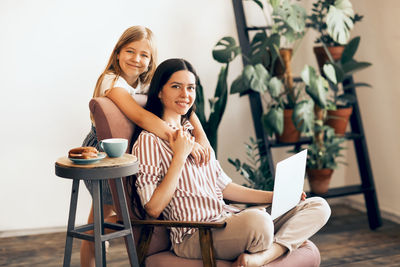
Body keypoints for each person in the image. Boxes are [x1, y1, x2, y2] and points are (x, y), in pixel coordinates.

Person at [132, 58, 331, 267]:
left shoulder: (195, 137)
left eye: (190, 88)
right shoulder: (149, 141)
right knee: (260, 222)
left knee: (318, 206)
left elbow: (225, 187)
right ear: (159, 92)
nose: (185, 94)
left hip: (226, 220)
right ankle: (272, 248)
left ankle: (263, 257)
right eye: (176, 87)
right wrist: (180, 157)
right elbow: (153, 208)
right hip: (196, 236)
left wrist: (277, 197)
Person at [80, 26, 211, 267]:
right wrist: (183, 142)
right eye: (130, 51)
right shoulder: (111, 80)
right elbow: (140, 117)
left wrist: (201, 138)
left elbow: (184, 107)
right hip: (104, 150)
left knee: (105, 218)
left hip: (128, 151)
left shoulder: (146, 82)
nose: (136, 59)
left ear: (151, 61)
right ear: (118, 52)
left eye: (144, 55)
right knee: (100, 218)